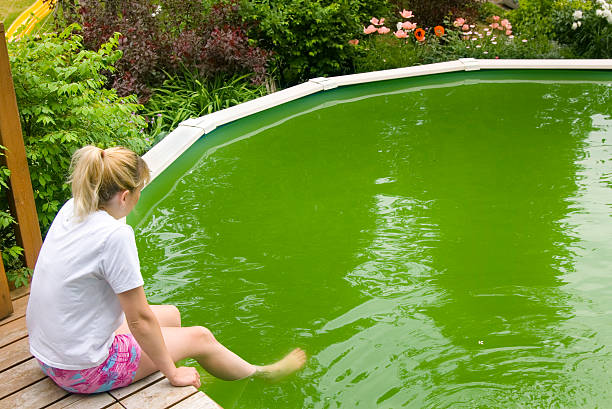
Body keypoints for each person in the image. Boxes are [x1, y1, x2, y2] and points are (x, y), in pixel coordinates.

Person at [26, 145, 306, 394]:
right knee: (201, 338)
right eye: (139, 191)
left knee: (172, 315)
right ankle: (262, 373)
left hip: (48, 353)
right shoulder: (114, 236)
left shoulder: (75, 207)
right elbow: (139, 320)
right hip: (81, 371)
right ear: (124, 196)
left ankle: (179, 370)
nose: (139, 198)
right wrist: (172, 373)